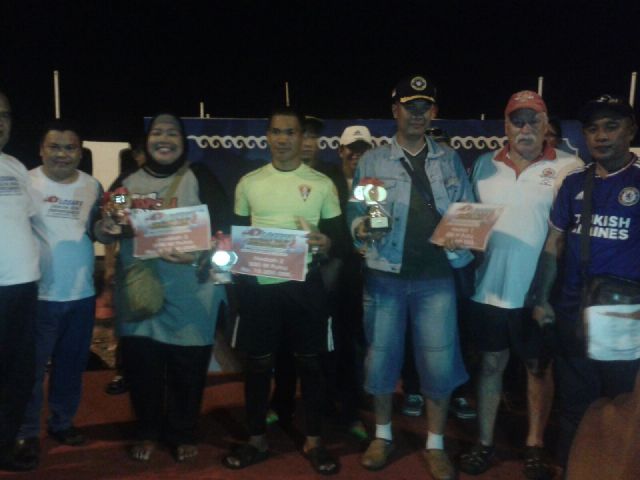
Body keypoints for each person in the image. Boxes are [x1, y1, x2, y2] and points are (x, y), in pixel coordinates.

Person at [347, 74, 473, 480]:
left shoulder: (449, 159)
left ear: (432, 112)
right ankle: (383, 435)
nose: (417, 114)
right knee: (381, 358)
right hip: (385, 274)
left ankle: (435, 444)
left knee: (439, 362)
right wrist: (362, 228)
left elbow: (467, 209)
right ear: (395, 111)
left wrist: (464, 235)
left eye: (424, 107)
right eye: (409, 107)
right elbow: (357, 211)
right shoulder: (372, 161)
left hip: (437, 279)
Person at [459, 91, 581, 480]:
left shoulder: (570, 166)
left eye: (533, 121)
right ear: (506, 126)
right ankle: (484, 442)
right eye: (517, 121)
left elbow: (571, 235)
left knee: (537, 369)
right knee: (490, 365)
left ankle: (534, 446)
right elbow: (469, 221)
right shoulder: (483, 165)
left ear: (546, 125)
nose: (525, 128)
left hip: (539, 293)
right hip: (488, 289)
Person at [96, 113, 230, 463]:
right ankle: (148, 431)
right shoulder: (127, 183)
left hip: (192, 292)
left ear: (183, 142)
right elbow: (106, 225)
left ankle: (183, 432)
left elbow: (225, 231)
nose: (165, 139)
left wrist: (199, 255)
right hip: (141, 293)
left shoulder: (199, 177)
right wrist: (109, 224)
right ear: (147, 140)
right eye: (157, 132)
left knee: (188, 369)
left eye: (173, 133)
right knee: (143, 368)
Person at [223, 107, 346, 475]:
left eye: (290, 132)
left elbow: (337, 238)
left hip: (305, 287)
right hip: (260, 289)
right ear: (267, 136)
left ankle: (314, 441)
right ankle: (256, 440)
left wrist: (326, 242)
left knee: (310, 364)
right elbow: (236, 235)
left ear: (301, 137)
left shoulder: (322, 184)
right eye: (276, 131)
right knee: (258, 365)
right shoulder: (249, 183)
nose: (282, 139)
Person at [529, 94, 640, 467]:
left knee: (621, 406)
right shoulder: (574, 181)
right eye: (593, 129)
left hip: (623, 319)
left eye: (611, 126)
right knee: (574, 407)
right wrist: (541, 299)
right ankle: (572, 470)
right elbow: (554, 242)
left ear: (630, 131)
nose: (601, 136)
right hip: (573, 312)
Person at [11, 121, 103, 469]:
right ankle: (26, 432)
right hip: (38, 295)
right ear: (41, 150)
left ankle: (62, 423)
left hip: (82, 295)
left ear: (80, 152)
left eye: (69, 148)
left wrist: (112, 227)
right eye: (54, 147)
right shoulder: (25, 182)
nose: (62, 154)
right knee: (32, 372)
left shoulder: (92, 185)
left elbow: (101, 231)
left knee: (71, 366)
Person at [0, 91, 40, 472]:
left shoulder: (15, 167)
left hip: (23, 287)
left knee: (19, 373)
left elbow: (27, 221)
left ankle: (5, 445)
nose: (0, 122)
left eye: (5, 115)